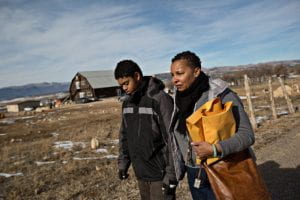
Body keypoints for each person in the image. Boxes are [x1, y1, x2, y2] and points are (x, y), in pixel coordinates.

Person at [168, 51, 255, 199]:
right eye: (172, 75)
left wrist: (215, 149)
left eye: (180, 73)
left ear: (196, 71)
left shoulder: (221, 95)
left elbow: (247, 135)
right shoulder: (178, 99)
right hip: (194, 172)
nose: (174, 80)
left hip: (223, 167)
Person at [114, 60, 177, 200]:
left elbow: (173, 139)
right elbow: (124, 135)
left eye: (126, 83)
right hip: (141, 172)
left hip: (160, 174)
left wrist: (171, 174)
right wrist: (123, 163)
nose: (124, 88)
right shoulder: (127, 104)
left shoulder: (160, 100)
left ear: (137, 76)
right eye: (121, 85)